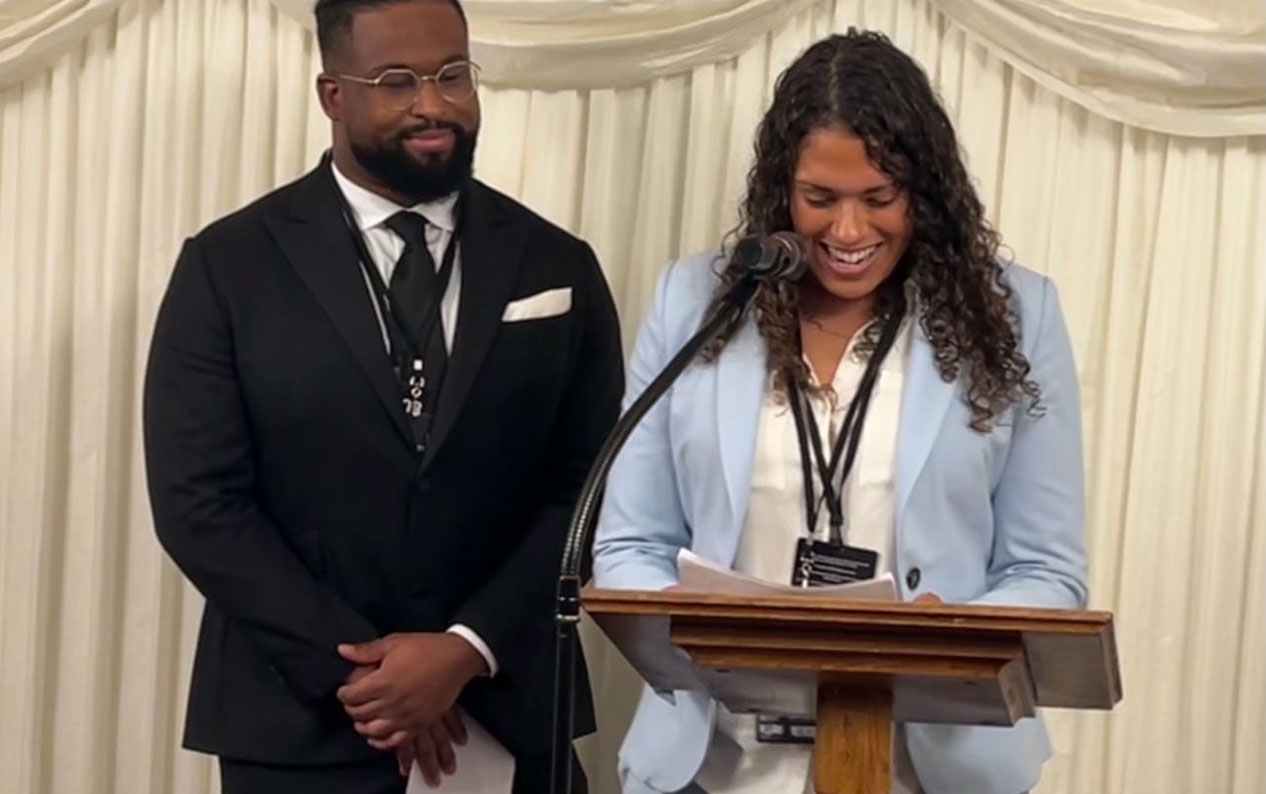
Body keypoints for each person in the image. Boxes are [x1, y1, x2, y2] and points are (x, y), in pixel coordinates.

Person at [142, 0, 623, 791]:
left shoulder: (556, 264)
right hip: (299, 726)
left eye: (453, 75)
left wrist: (466, 648)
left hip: (506, 712)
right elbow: (199, 503)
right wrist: (375, 679)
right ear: (333, 94)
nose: (433, 104)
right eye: (397, 81)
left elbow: (590, 485)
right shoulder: (228, 267)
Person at [591, 29, 1086, 794]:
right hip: (714, 766)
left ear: (921, 192)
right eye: (820, 199)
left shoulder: (1019, 316)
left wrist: (945, 635)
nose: (849, 233)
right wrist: (702, 626)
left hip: (933, 768)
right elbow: (629, 541)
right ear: (781, 190)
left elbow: (1046, 571)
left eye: (879, 199)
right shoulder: (695, 304)